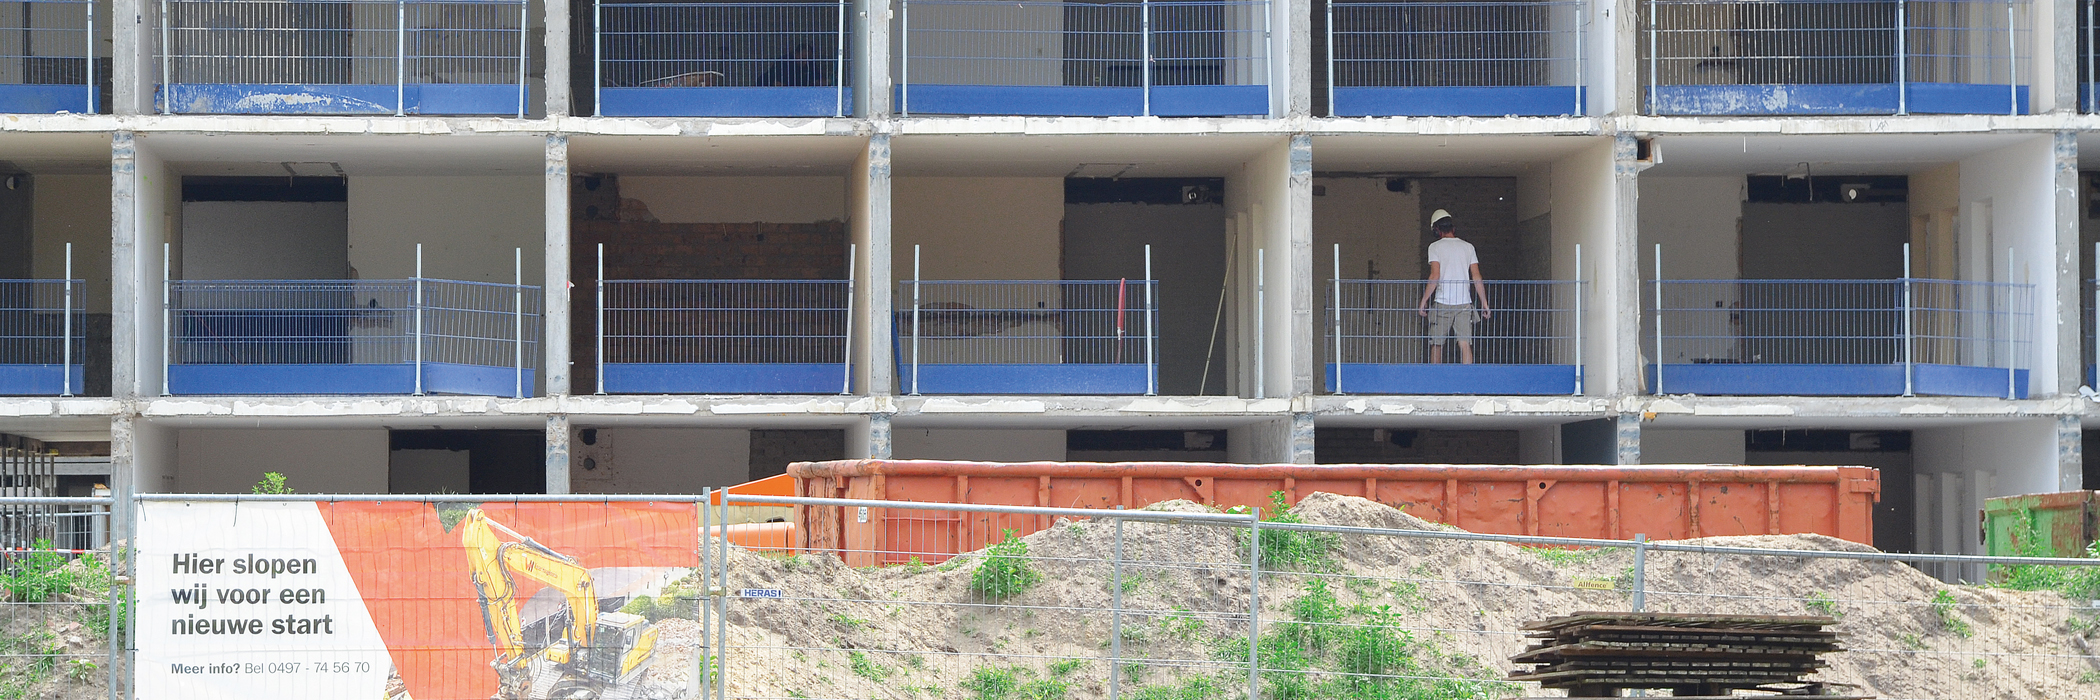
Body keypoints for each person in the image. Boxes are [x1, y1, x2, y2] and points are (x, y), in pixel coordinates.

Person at [1415, 209, 1490, 364]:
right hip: (1464, 303)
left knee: (1437, 343)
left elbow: (1434, 276)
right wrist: (1484, 302)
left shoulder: (1435, 247)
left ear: (1436, 230)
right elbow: (1476, 276)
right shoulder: (1468, 247)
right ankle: (1467, 377)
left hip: (1442, 302)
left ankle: (1436, 377)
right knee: (1465, 343)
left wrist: (1424, 300)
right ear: (1452, 228)